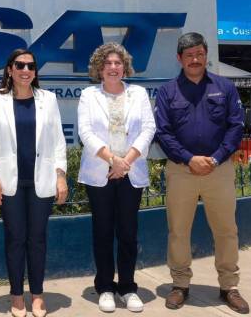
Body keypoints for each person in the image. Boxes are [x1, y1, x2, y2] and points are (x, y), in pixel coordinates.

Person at [154, 32, 249, 314]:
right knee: (178, 231)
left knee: (226, 230)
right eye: (189, 55)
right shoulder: (167, 91)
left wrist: (217, 157)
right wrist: (188, 159)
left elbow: (236, 126)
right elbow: (163, 132)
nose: (194, 59)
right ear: (179, 58)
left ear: (206, 55)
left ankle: (229, 286)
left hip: (218, 170)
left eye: (199, 54)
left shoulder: (225, 87)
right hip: (181, 171)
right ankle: (180, 285)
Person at [0, 49, 68, 317]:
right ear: (9, 69)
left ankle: (38, 296)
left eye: (31, 66)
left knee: (38, 240)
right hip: (10, 183)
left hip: (41, 181)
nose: (25, 70)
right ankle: (17, 296)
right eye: (20, 65)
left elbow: (57, 141)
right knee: (15, 239)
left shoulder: (48, 99)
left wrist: (61, 176)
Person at [77, 43, 155, 313]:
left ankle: (128, 287)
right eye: (107, 63)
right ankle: (105, 287)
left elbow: (148, 128)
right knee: (102, 232)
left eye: (118, 63)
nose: (113, 67)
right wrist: (113, 160)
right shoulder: (89, 95)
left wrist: (126, 162)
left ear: (125, 67)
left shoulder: (139, 93)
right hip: (100, 172)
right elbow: (85, 132)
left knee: (128, 233)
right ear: (99, 68)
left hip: (130, 173)